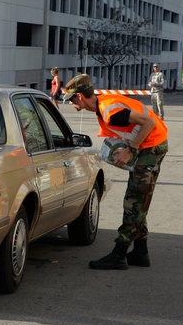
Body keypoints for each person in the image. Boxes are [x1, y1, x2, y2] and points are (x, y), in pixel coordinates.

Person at [62, 74, 169, 270]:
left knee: (134, 202)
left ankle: (119, 254)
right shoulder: (104, 106)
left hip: (151, 147)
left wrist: (131, 150)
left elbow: (149, 123)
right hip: (149, 146)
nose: (70, 103)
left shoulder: (109, 110)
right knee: (138, 200)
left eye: (70, 99)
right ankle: (140, 252)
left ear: (79, 97)